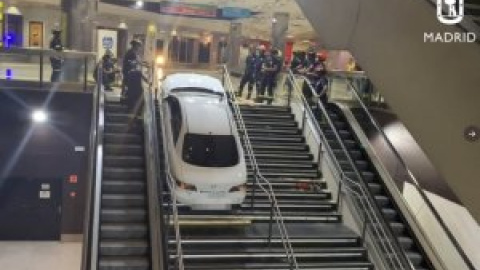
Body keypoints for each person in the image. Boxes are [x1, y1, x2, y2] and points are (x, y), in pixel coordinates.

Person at [122, 39, 144, 117]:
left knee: (133, 92)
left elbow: (136, 62)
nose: (139, 48)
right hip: (131, 76)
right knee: (134, 92)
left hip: (131, 75)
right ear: (135, 46)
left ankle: (130, 108)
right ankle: (130, 108)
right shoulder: (131, 53)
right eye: (138, 46)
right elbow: (133, 63)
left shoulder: (131, 52)